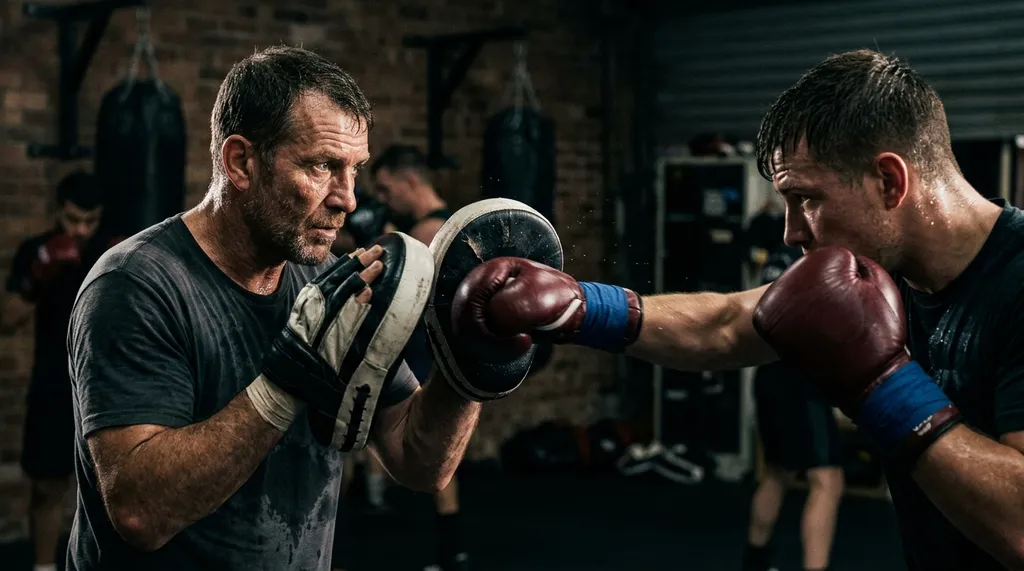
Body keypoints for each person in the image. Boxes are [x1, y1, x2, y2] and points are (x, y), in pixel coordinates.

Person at [453, 49, 1024, 571]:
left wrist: (885, 383)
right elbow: (727, 325)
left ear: (889, 180)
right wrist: (580, 308)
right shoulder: (881, 268)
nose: (790, 230)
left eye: (806, 198)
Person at [64, 46, 490, 571]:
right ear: (241, 162)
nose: (347, 199)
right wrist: (284, 384)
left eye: (355, 170)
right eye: (321, 167)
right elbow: (138, 513)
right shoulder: (136, 283)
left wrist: (470, 363)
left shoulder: (325, 275)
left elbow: (419, 461)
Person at [370, 144, 468, 571]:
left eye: (388, 189)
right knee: (377, 424)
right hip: (425, 350)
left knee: (433, 450)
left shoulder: (429, 233)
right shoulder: (450, 223)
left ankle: (451, 551)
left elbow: (382, 280)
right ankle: (378, 500)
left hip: (425, 353)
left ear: (411, 180)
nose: (384, 198)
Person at [1, 171, 104, 571]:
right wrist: (36, 277)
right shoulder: (37, 252)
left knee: (110, 490)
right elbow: (8, 319)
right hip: (52, 383)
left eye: (89, 221)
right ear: (57, 212)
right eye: (72, 219)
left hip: (104, 382)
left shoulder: (114, 252)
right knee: (46, 487)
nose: (79, 230)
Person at [744, 244, 845, 571]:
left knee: (777, 472)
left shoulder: (778, 255)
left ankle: (754, 562)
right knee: (827, 481)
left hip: (768, 375)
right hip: (799, 380)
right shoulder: (820, 258)